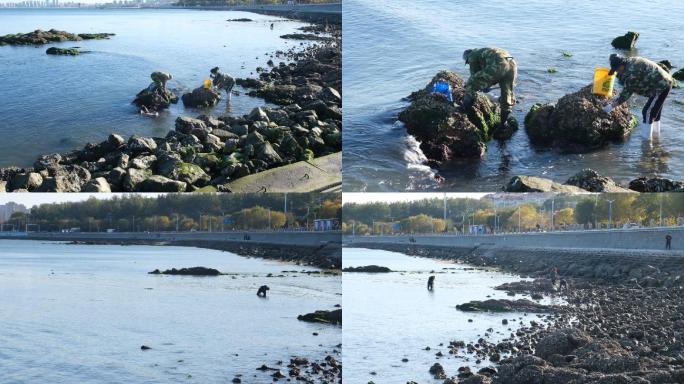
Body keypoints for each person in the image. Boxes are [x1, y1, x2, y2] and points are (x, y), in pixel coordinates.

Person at [602, 54, 674, 141]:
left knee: (647, 112)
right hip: (661, 82)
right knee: (654, 113)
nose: (617, 71)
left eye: (617, 69)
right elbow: (626, 87)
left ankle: (646, 143)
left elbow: (627, 93)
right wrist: (613, 100)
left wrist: (610, 107)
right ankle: (656, 138)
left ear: (622, 65)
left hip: (661, 86)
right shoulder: (629, 62)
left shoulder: (632, 72)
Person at [461, 47, 517, 129]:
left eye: (468, 62)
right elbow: (489, 74)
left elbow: (475, 77)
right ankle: (503, 124)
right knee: (507, 94)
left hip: (498, 63)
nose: (469, 63)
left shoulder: (472, 55)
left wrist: (483, 86)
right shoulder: (483, 52)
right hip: (511, 63)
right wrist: (487, 85)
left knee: (471, 83)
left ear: (467, 57)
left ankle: (465, 108)